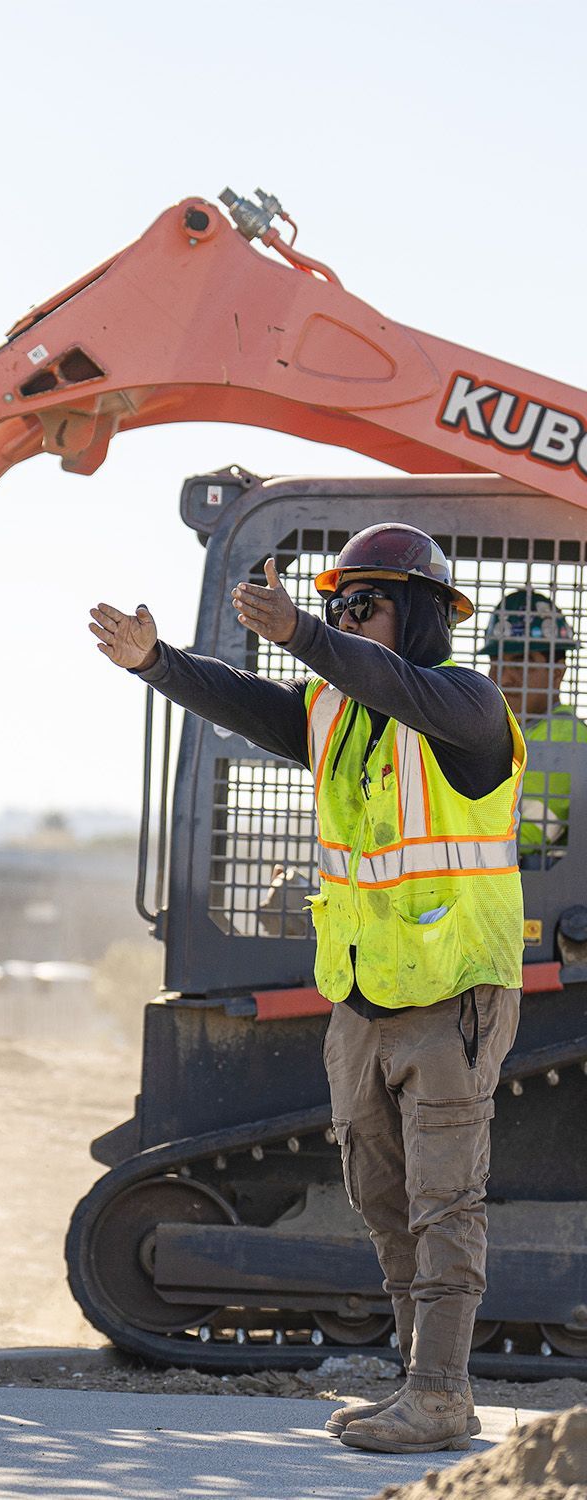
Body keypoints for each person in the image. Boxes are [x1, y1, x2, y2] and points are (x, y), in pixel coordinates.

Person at [89, 523, 525, 1456]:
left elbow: (395, 687)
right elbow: (247, 701)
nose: (342, 618)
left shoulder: (468, 707)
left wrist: (299, 632)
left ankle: (442, 1394)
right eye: (335, 604)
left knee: (447, 1202)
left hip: (453, 997)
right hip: (365, 998)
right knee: (382, 1198)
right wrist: (158, 662)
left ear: (414, 613)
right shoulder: (334, 713)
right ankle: (423, 1388)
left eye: (362, 603)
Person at [480, 589, 585, 867]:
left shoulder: (567, 734)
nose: (504, 676)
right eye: (497, 661)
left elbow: (526, 835)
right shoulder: (505, 730)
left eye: (520, 662)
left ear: (558, 671)